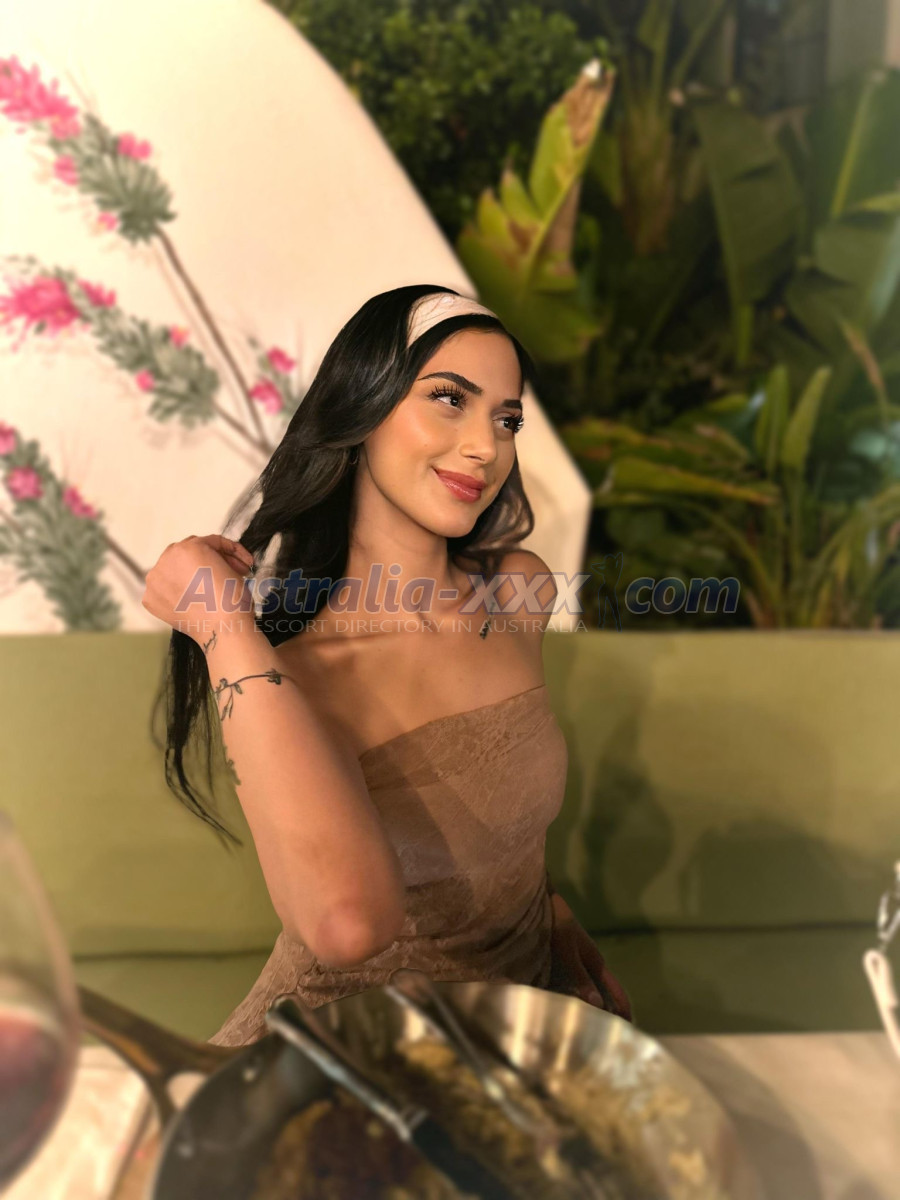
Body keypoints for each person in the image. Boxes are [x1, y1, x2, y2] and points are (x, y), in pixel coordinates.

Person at [142, 284, 631, 1046]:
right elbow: (346, 925)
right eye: (449, 399)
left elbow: (502, 815)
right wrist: (221, 629)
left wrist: (545, 915)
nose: (486, 447)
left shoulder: (518, 592)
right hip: (342, 1057)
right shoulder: (292, 675)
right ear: (361, 409)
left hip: (507, 1038)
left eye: (506, 420)